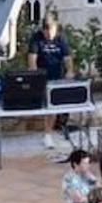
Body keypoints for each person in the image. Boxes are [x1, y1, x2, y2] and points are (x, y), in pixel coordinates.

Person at [28, 13, 73, 148]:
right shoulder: (36, 38)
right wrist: (36, 77)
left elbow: (67, 57)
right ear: (43, 30)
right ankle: (47, 134)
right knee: (47, 107)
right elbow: (32, 59)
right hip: (42, 76)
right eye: (46, 33)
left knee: (54, 107)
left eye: (51, 32)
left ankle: (52, 132)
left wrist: (70, 71)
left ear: (56, 28)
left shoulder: (61, 37)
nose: (49, 36)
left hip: (57, 76)